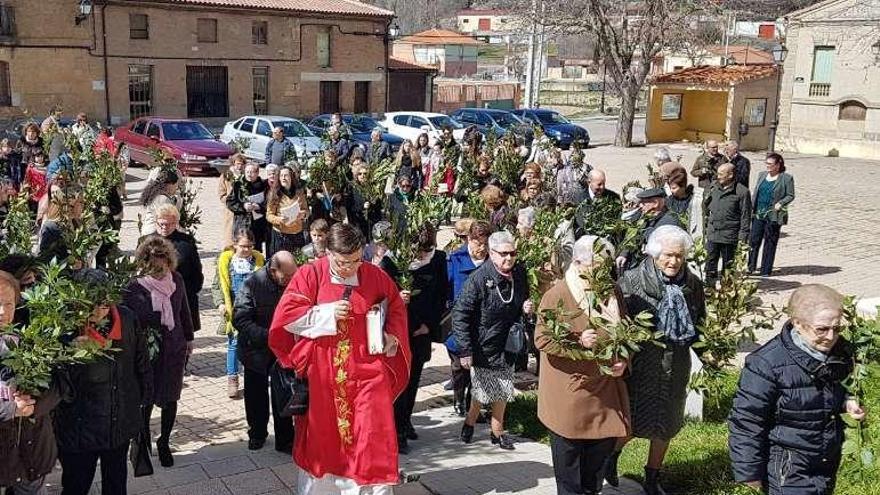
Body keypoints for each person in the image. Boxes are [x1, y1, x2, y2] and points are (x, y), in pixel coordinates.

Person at [268, 223, 411, 494]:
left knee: (372, 435)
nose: (352, 268)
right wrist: (326, 314)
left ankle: (370, 487)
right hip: (325, 375)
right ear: (329, 253)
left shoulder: (374, 275)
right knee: (325, 439)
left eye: (357, 260)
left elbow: (395, 307)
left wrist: (392, 335)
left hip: (368, 372)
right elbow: (285, 319)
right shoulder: (311, 274)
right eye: (344, 262)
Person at [728, 284, 864, 495]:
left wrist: (848, 401)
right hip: (788, 467)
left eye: (837, 328)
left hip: (826, 460)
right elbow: (747, 421)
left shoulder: (841, 352)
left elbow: (841, 387)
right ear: (797, 323)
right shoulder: (766, 364)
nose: (831, 337)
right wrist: (749, 473)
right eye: (822, 329)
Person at [606, 225, 706, 495]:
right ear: (654, 255)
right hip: (642, 364)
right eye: (668, 256)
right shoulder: (632, 281)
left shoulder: (693, 284)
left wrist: (709, 354)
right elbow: (618, 324)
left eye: (679, 256)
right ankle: (610, 458)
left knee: (667, 423)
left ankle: (652, 476)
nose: (673, 261)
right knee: (632, 419)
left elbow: (699, 323)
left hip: (676, 364)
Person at [536, 236, 630, 495]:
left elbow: (627, 332)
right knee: (570, 478)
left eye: (605, 265)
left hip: (605, 396)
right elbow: (543, 339)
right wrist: (578, 342)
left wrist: (624, 361)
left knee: (594, 473)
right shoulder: (558, 295)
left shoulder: (612, 291)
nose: (603, 272)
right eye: (597, 266)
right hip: (571, 397)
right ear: (578, 262)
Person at [55, 269, 152, 495]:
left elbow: (141, 362)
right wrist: (70, 356)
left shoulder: (127, 319)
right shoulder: (66, 330)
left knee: (116, 483)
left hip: (118, 423)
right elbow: (60, 387)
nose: (100, 310)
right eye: (93, 303)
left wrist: (144, 400)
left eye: (105, 303)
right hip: (80, 430)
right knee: (76, 485)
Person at [452, 230, 532, 450]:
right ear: (491, 253)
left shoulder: (519, 273)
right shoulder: (479, 278)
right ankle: (471, 422)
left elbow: (522, 299)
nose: (509, 258)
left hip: (508, 342)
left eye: (513, 253)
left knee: (503, 388)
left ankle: (497, 431)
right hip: (483, 345)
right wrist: (465, 350)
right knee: (483, 389)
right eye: (504, 253)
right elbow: (460, 314)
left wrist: (526, 308)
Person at [123, 236, 194, 468]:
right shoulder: (134, 286)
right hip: (147, 350)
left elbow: (184, 310)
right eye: (153, 266)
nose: (159, 270)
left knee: (171, 396)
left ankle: (164, 441)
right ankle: (143, 441)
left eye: (162, 265)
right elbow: (130, 320)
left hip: (173, 347)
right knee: (147, 398)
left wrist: (189, 339)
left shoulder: (177, 279)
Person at [0, 271, 62, 495]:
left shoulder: (31, 341)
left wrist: (34, 406)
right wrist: (10, 409)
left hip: (32, 454)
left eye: (8, 303)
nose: (3, 311)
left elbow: (60, 386)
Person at [232, 251, 298, 452]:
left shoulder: (293, 281)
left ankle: (285, 439)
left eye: (292, 275)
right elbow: (240, 319)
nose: (289, 280)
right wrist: (267, 335)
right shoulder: (252, 284)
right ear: (272, 270)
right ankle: (257, 433)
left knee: (284, 392)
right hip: (256, 348)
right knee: (256, 395)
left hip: (282, 350)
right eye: (285, 276)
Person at [394, 223, 448, 454]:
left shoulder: (439, 259)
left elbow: (442, 294)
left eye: (428, 250)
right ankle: (397, 429)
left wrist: (429, 325)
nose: (424, 255)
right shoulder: (397, 259)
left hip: (423, 329)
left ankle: (405, 421)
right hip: (400, 329)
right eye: (420, 251)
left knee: (414, 377)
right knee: (400, 380)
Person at [212, 229, 265, 398]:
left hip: (253, 311)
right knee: (234, 344)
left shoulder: (259, 262)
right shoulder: (226, 262)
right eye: (243, 246)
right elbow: (217, 286)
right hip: (234, 310)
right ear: (235, 245)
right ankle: (232, 378)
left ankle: (253, 376)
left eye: (250, 246)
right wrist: (220, 303)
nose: (247, 250)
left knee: (254, 344)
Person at [446, 220, 492, 416]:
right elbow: (446, 289)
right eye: (476, 242)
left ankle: (473, 404)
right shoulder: (455, 260)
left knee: (479, 367)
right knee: (459, 366)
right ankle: (458, 399)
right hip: (459, 323)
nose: (480, 248)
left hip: (483, 324)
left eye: (484, 243)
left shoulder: (492, 262)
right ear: (468, 240)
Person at [147, 204, 204, 333]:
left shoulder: (186, 242)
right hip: (156, 299)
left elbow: (196, 271)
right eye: (161, 224)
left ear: (176, 223)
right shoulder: (147, 242)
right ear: (156, 222)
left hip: (182, 297)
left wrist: (186, 292)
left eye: (169, 224)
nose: (165, 227)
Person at [702, 163, 751, 287]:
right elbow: (706, 207)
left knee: (728, 266)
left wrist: (743, 238)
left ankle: (726, 292)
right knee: (710, 264)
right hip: (713, 234)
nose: (718, 176)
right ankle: (709, 288)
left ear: (730, 175)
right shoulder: (714, 187)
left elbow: (746, 216)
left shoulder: (742, 192)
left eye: (721, 174)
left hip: (729, 236)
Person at [748, 153, 795, 277]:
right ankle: (750, 267)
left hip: (773, 215)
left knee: (770, 242)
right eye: (766, 163)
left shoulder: (786, 178)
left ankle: (765, 270)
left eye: (770, 164)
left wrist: (781, 203)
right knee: (753, 241)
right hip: (758, 213)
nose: (767, 166)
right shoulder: (762, 175)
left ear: (778, 165)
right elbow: (756, 193)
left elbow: (791, 195)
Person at [616, 188, 683, 270]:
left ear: (655, 203)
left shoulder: (669, 222)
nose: (640, 206)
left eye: (644, 203)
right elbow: (633, 238)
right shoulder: (645, 218)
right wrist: (623, 254)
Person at [266, 166, 309, 258]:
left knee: (297, 261)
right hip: (281, 235)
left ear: (291, 177)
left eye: (286, 175)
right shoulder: (274, 194)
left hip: (297, 233)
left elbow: (306, 210)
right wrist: (279, 219)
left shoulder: (299, 192)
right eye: (281, 176)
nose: (283, 178)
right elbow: (269, 215)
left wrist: (303, 214)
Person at [227, 162, 268, 254]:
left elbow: (269, 203)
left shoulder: (263, 185)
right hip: (242, 223)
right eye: (247, 172)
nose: (249, 174)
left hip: (257, 224)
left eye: (252, 172)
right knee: (241, 247)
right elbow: (230, 202)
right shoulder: (238, 185)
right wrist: (243, 206)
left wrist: (259, 206)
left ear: (257, 173)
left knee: (256, 249)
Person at [573, 169, 622, 238]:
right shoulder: (577, 198)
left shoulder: (614, 198)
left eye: (603, 183)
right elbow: (575, 224)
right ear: (589, 182)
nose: (602, 187)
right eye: (599, 184)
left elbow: (618, 221)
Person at [139, 168, 181, 236]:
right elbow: (168, 218)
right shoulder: (162, 198)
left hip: (150, 231)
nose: (176, 188)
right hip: (154, 233)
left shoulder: (157, 195)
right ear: (170, 184)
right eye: (176, 185)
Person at [218, 154, 246, 247]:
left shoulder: (246, 175)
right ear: (233, 164)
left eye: (242, 164)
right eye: (238, 164)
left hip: (243, 210)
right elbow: (221, 194)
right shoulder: (226, 175)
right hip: (230, 210)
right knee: (229, 235)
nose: (240, 166)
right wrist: (231, 200)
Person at [665, 167, 702, 238]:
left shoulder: (693, 200)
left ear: (683, 187)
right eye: (670, 188)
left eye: (674, 188)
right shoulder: (669, 200)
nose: (671, 191)